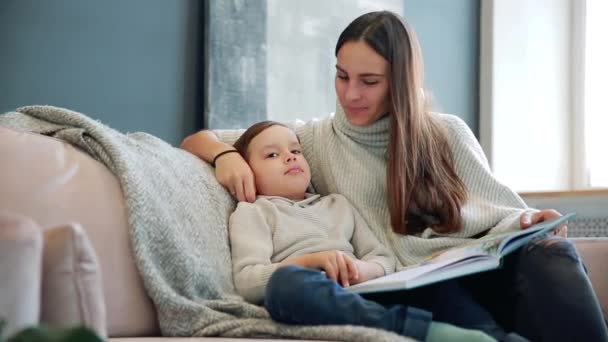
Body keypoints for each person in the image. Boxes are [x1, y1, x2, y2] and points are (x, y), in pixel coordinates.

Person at [182, 10, 608, 342]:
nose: (350, 94)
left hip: (480, 274)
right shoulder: (311, 140)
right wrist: (224, 156)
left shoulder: (447, 132)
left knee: (553, 254)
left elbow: (497, 211)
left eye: (369, 81)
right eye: (342, 75)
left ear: (399, 81)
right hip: (414, 291)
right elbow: (196, 140)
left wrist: (529, 220)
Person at [226, 120, 495, 341]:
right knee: (283, 286)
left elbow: (383, 258)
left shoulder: (337, 204)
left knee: (440, 288)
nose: (289, 157)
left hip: (360, 290)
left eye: (296, 151)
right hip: (310, 293)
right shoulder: (254, 212)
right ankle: (420, 330)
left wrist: (359, 270)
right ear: (247, 172)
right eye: (272, 154)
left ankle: (498, 337)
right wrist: (312, 262)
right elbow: (248, 281)